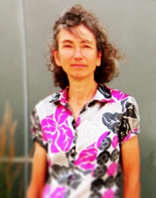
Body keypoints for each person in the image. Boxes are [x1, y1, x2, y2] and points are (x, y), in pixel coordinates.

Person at [26, 5, 140, 198]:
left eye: (86, 45)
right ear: (57, 56)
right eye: (68, 45)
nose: (77, 55)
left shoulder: (123, 107)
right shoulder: (43, 111)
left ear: (98, 56)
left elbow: (132, 180)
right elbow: (37, 185)